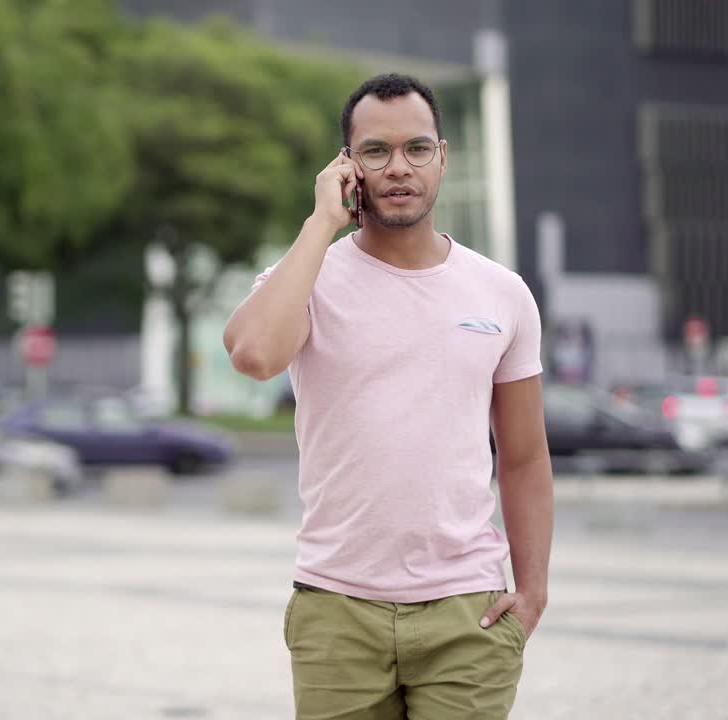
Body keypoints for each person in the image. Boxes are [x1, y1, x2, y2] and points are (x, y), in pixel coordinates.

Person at [223, 74, 553, 719]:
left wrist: (533, 590)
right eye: (376, 151)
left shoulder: (502, 293)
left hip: (469, 615)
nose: (399, 167)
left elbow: (523, 457)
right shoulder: (307, 276)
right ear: (346, 166)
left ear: (443, 157)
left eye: (417, 149)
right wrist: (322, 224)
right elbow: (255, 355)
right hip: (336, 610)